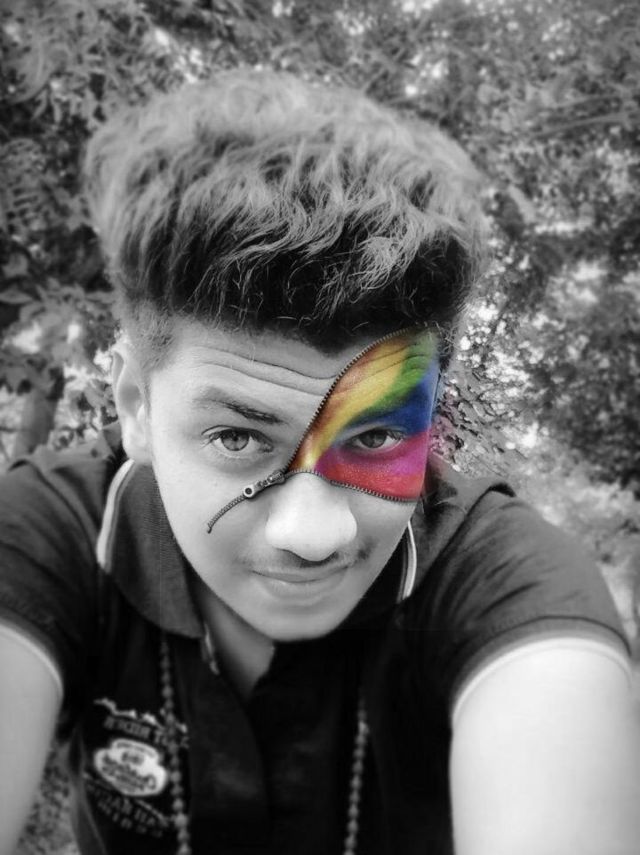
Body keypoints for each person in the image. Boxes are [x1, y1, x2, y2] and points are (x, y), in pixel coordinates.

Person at [0, 70, 638, 855]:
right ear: (135, 406)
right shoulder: (54, 533)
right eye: (237, 438)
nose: (312, 533)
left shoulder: (506, 580)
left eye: (375, 437)